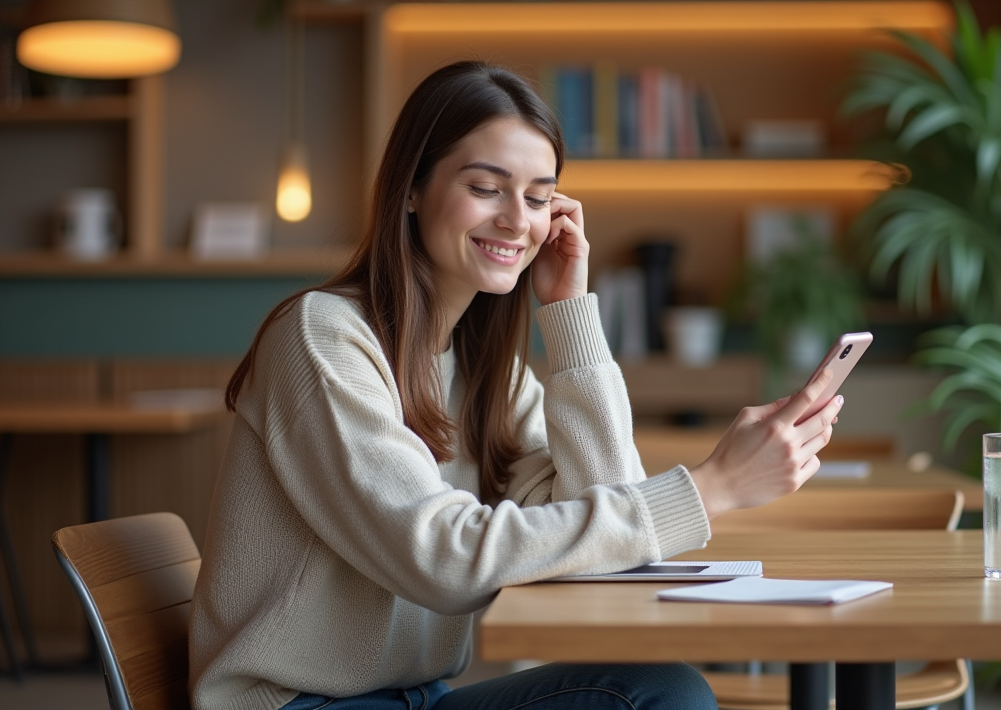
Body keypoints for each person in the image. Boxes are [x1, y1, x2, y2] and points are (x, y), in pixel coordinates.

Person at [188, 61, 843, 710]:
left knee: (666, 688)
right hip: (296, 705)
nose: (516, 220)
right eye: (486, 187)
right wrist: (714, 487)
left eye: (537, 197)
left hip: (416, 697)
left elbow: (605, 524)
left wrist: (569, 313)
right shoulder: (324, 336)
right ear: (411, 189)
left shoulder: (486, 372)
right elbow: (440, 558)